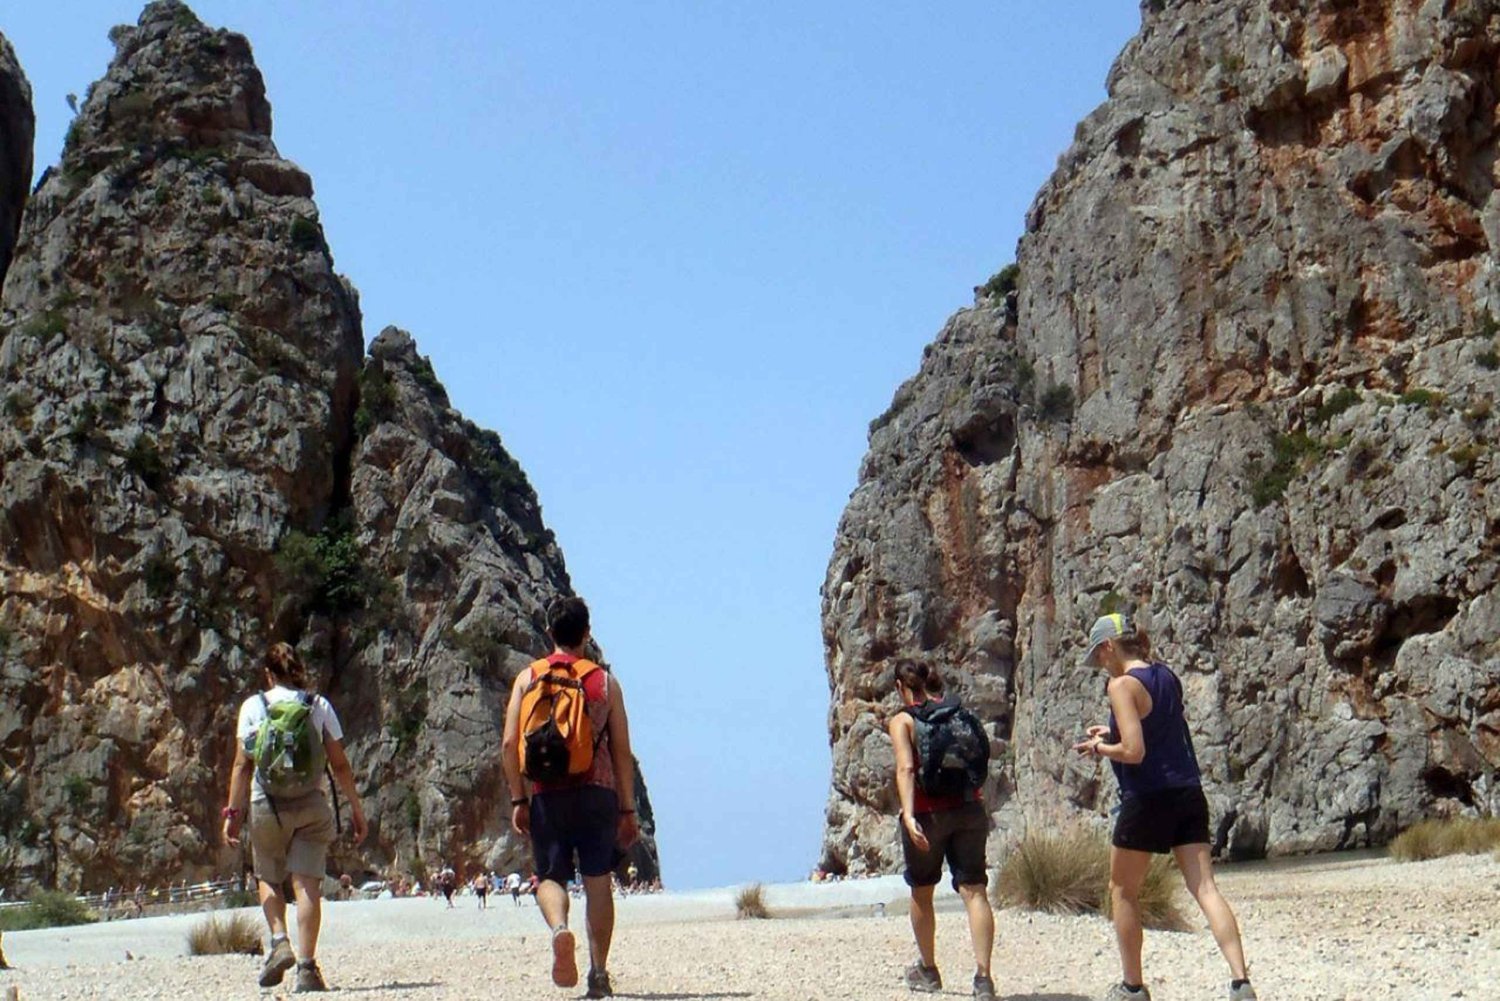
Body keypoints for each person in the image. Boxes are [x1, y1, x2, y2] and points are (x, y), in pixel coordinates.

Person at [1071, 613, 1257, 1001]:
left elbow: (1134, 752)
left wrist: (1100, 747)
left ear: (1109, 647)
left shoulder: (1121, 685)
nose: (1100, 665)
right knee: (1205, 887)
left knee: (1122, 890)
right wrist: (1113, 731)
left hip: (1148, 798)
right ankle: (1241, 982)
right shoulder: (1165, 675)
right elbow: (1157, 727)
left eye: (1099, 656)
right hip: (1188, 791)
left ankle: (1132, 987)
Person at [502, 596, 640, 1000]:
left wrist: (518, 800)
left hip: (548, 794)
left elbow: (510, 742)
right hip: (597, 793)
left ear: (550, 633)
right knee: (598, 882)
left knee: (550, 878)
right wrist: (628, 809)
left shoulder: (529, 678)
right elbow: (621, 752)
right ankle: (599, 975)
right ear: (586, 633)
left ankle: (560, 929)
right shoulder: (604, 684)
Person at [222, 642, 367, 992]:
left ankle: (278, 940)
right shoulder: (318, 706)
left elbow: (242, 766)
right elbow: (340, 765)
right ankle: (306, 968)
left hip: (266, 804)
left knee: (268, 877)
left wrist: (233, 813)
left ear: (268, 674)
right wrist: (356, 809)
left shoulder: (254, 707)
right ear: (298, 669)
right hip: (311, 804)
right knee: (307, 885)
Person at [888, 660, 997, 1000]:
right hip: (969, 808)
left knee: (922, 890)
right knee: (974, 891)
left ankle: (929, 969)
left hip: (927, 814)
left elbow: (906, 768)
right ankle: (983, 978)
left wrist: (908, 815)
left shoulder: (903, 720)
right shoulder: (956, 713)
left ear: (899, 687)